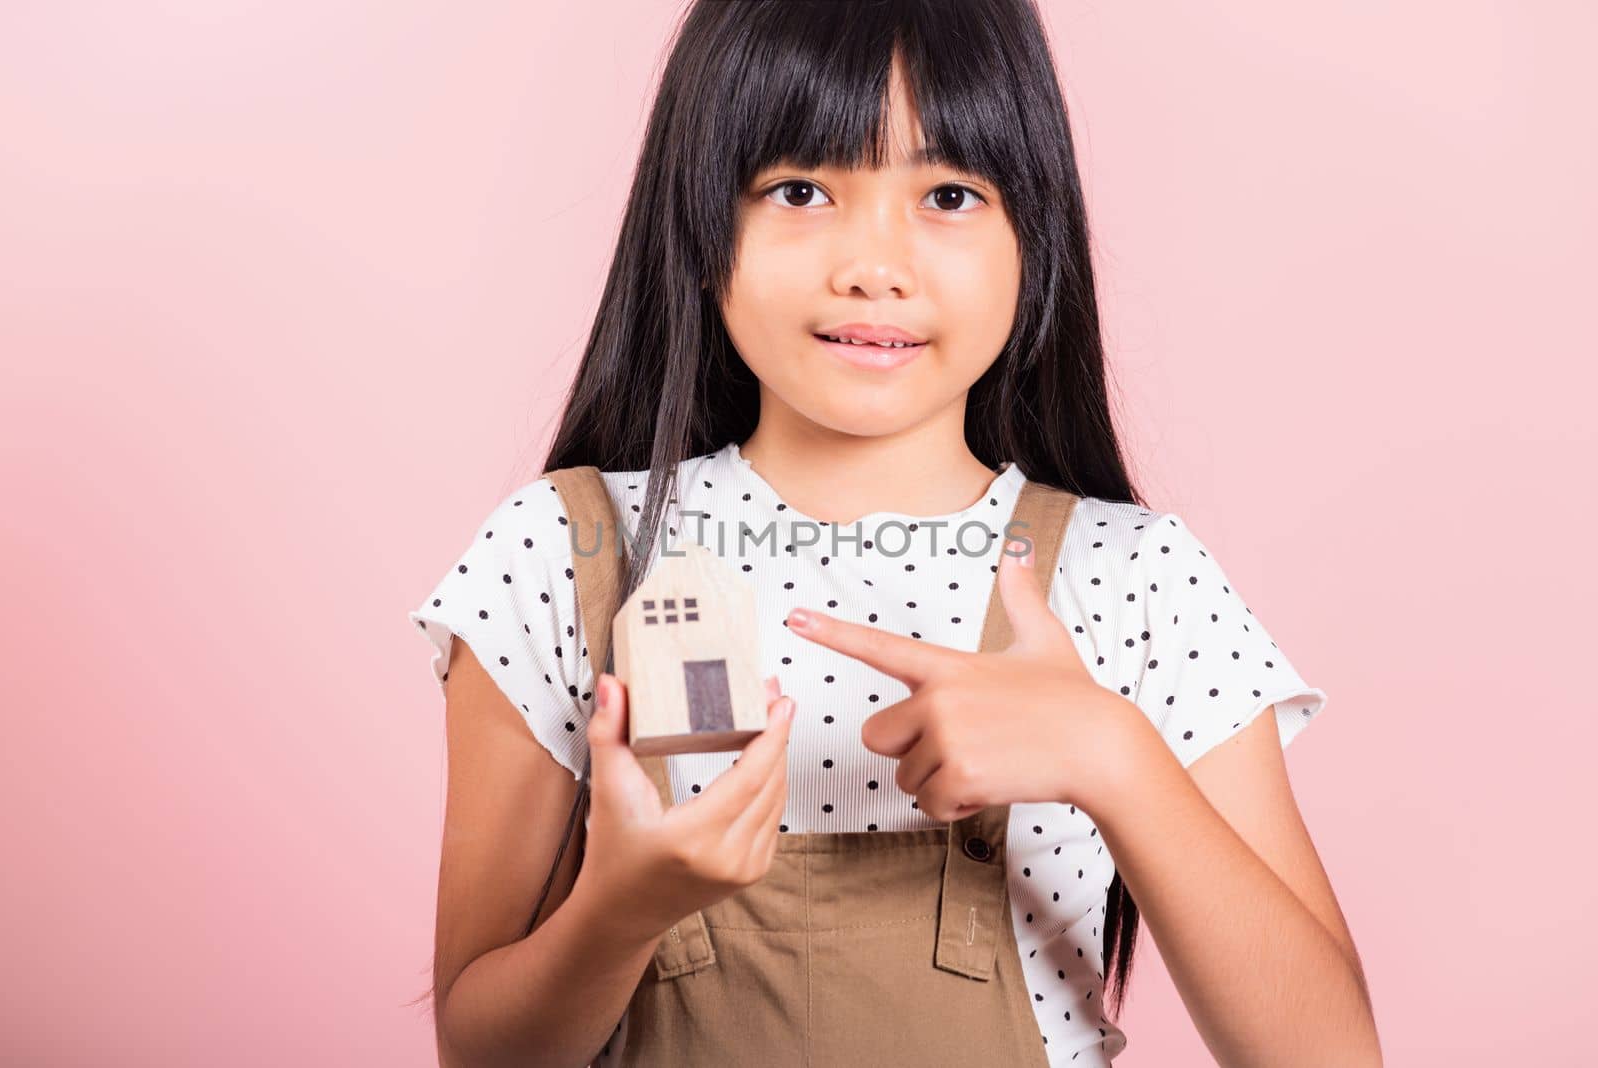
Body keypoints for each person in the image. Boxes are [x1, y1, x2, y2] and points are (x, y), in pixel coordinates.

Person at [407, 2, 1379, 1065]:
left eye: (950, 195)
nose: (875, 266)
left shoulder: (1136, 579)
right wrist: (622, 909)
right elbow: (481, 1051)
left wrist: (1111, 756)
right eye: (800, 190)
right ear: (695, 229)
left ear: (1034, 239)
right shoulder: (563, 552)